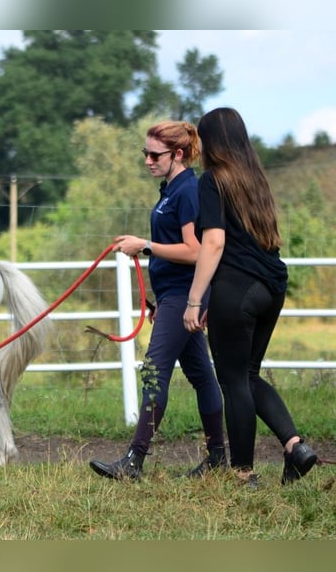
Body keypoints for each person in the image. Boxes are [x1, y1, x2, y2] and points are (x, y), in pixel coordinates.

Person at [183, 107, 318, 487]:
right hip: (272, 285)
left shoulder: (212, 180)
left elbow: (213, 242)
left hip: (237, 288)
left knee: (234, 381)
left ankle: (244, 472)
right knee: (249, 374)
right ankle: (295, 446)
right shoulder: (255, 179)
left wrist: (195, 300)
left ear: (213, 143)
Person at [89, 121, 226, 481]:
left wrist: (144, 245)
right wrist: (156, 299)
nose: (148, 161)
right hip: (172, 296)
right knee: (202, 376)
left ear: (177, 154)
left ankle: (134, 461)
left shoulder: (187, 192)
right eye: (144, 153)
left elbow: (195, 251)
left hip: (184, 296)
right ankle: (218, 458)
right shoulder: (171, 189)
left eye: (155, 154)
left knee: (154, 371)